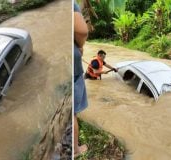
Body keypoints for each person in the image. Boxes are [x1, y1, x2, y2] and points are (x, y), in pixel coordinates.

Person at [74, 1, 89, 157]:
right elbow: (82, 31)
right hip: (77, 67)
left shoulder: (100, 60)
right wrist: (80, 46)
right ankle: (75, 149)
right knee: (73, 112)